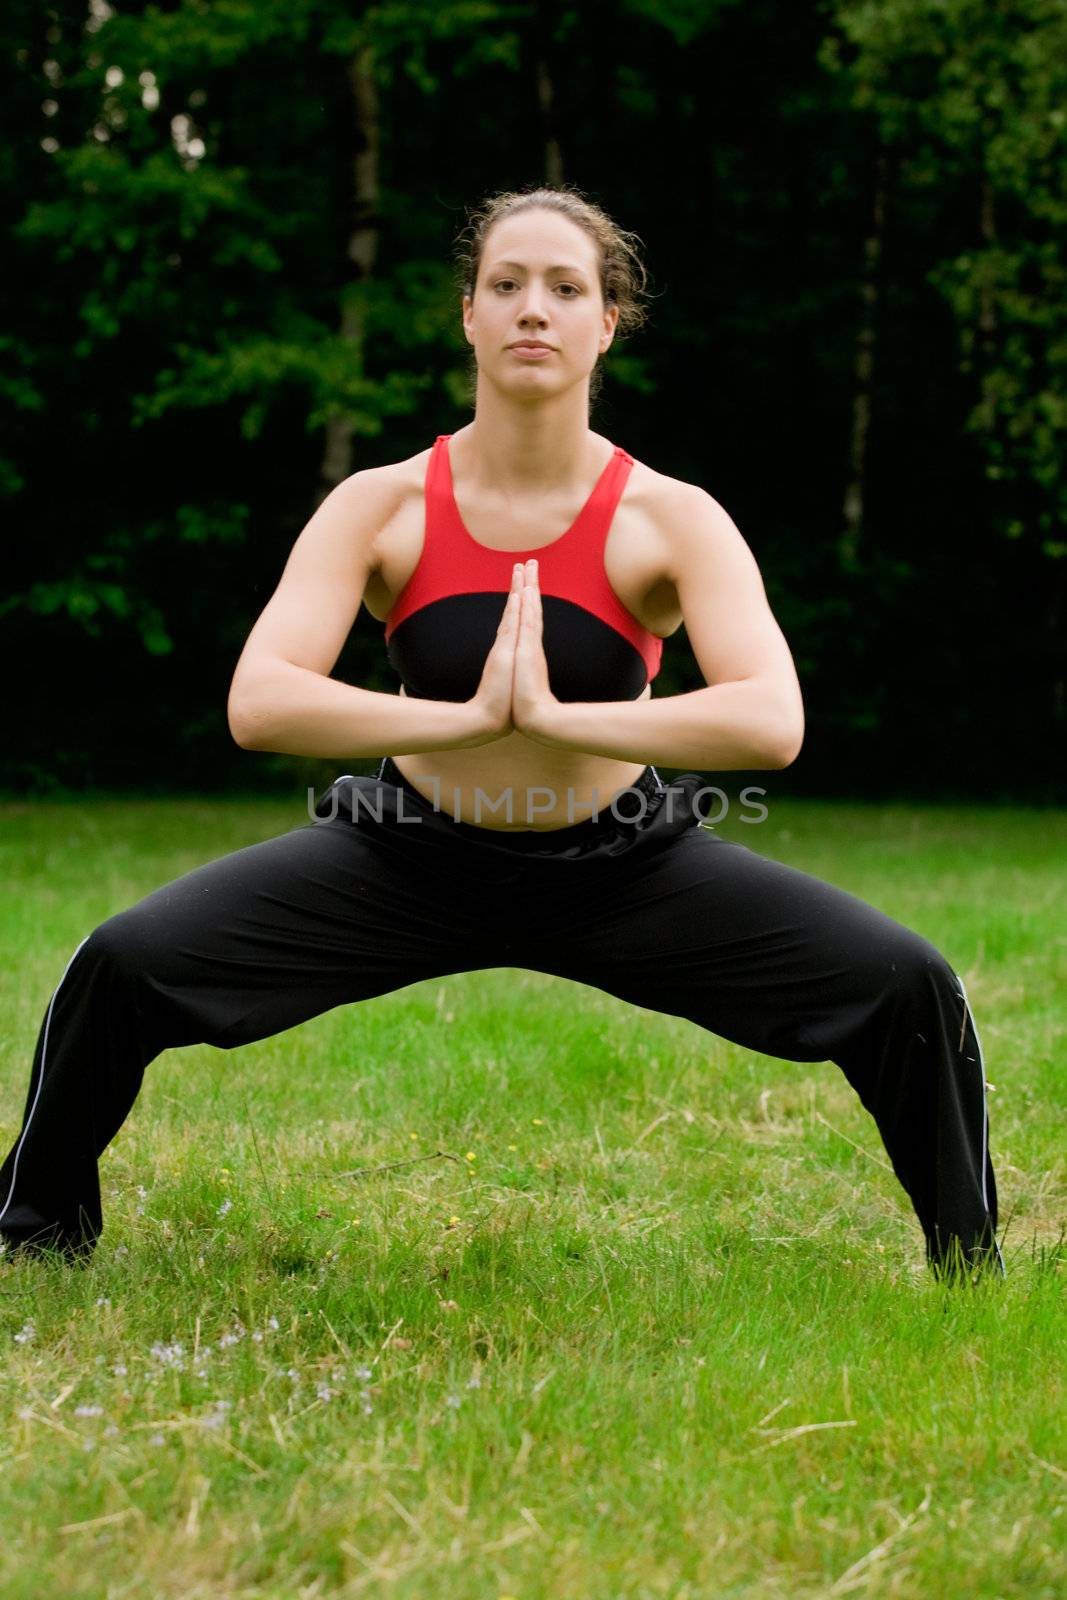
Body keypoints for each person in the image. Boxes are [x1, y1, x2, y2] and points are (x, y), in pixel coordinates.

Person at [0, 185, 1003, 1280]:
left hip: (623, 864)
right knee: (121, 963)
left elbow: (770, 719)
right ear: (468, 315)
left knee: (908, 983)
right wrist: (465, 718)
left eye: (565, 288)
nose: (534, 308)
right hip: (401, 852)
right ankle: (37, 1233)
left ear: (605, 322)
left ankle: (968, 1265)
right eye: (506, 285)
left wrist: (563, 717)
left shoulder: (667, 517)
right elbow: (261, 699)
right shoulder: (382, 505)